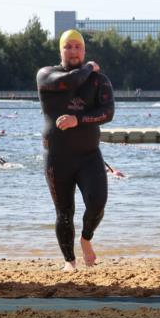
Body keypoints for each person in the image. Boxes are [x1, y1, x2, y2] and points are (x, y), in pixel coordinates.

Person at [37, 29, 115, 271]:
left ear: (84, 50)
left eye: (77, 47)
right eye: (67, 46)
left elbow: (108, 112)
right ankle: (69, 261)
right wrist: (89, 67)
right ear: (60, 50)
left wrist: (77, 120)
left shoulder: (99, 80)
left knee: (97, 203)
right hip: (57, 157)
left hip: (89, 155)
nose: (73, 51)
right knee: (64, 212)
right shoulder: (46, 75)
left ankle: (86, 238)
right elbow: (71, 81)